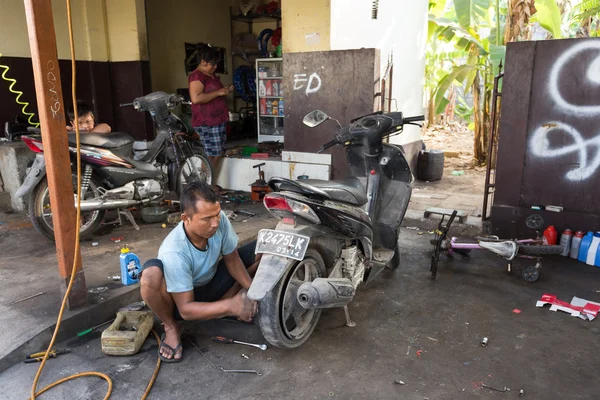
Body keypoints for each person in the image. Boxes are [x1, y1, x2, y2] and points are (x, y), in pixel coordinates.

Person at [139, 181, 260, 362]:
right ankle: (172, 328)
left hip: (211, 284)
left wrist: (254, 292)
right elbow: (186, 309)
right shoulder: (174, 251)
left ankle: (231, 301)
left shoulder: (218, 221)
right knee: (150, 276)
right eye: (206, 219)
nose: (214, 224)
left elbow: (232, 259)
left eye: (217, 215)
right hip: (184, 303)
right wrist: (231, 307)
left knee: (265, 248)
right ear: (185, 218)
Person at [188, 45, 233, 190]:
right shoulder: (197, 77)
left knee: (218, 152)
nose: (215, 66)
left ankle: (208, 182)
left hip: (217, 120)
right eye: (212, 64)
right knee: (210, 154)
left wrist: (224, 91)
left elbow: (214, 92)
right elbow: (196, 98)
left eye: (216, 63)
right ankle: (206, 185)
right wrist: (219, 93)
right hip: (206, 122)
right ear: (202, 62)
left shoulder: (209, 76)